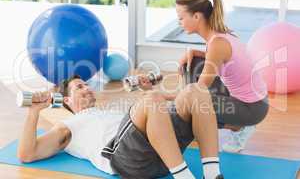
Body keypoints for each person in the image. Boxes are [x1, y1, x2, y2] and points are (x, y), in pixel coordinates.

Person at [17, 74, 225, 179]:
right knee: (151, 99)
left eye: (87, 84)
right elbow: (27, 154)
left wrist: (150, 90)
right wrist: (34, 112)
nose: (87, 88)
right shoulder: (70, 125)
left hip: (162, 158)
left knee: (194, 91)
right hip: (128, 159)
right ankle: (183, 176)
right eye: (79, 87)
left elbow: (157, 115)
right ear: (67, 101)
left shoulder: (108, 112)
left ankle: (213, 174)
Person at [176, 0, 269, 153]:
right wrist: (194, 52)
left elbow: (198, 92)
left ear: (196, 16)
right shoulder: (217, 37)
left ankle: (239, 127)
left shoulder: (217, 43)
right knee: (193, 64)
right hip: (244, 99)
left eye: (181, 18)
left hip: (253, 108)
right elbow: (221, 59)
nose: (179, 22)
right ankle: (195, 124)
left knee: (193, 103)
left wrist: (167, 100)